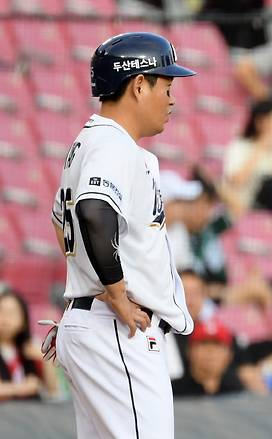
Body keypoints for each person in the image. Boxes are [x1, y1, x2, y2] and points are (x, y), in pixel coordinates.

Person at [50, 33, 195, 439]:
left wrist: (83, 291)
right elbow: (91, 212)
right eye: (166, 86)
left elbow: (60, 222)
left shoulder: (90, 142)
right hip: (117, 329)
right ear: (138, 85)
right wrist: (112, 293)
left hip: (98, 325)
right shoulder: (112, 144)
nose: (171, 99)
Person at [223, 97, 272, 214]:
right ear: (261, 121)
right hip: (243, 207)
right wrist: (261, 147)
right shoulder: (240, 146)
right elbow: (236, 181)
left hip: (269, 209)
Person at [0, 290, 58, 400]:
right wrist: (22, 388)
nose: (5, 318)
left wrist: (44, 361)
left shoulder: (31, 348)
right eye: (1, 311)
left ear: (24, 319)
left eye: (12, 313)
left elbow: (53, 390)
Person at [171, 319, 244, 396]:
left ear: (229, 355)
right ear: (189, 351)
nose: (210, 351)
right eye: (204, 343)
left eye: (217, 345)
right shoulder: (172, 391)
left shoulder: (237, 391)